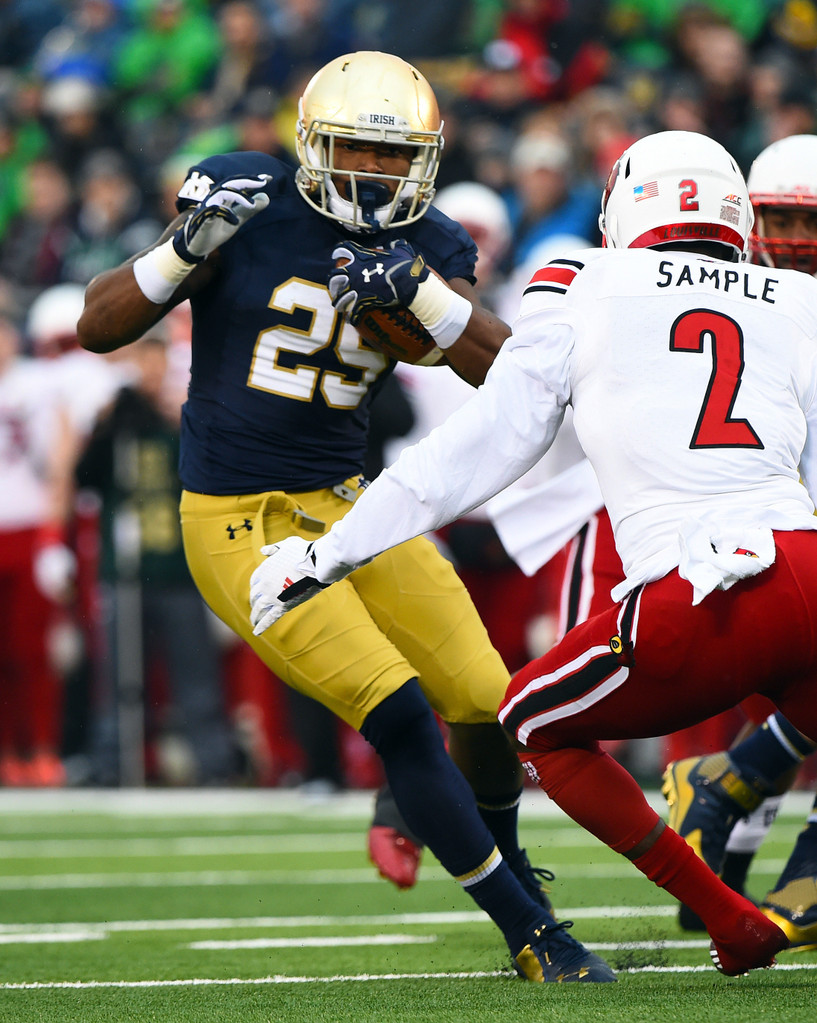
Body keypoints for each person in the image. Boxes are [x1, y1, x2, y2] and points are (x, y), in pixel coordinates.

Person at [77, 50, 614, 983]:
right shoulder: (245, 207)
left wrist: (429, 303)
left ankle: (517, 878)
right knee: (401, 714)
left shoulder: (434, 240)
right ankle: (532, 930)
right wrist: (183, 248)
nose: (373, 171)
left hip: (353, 505)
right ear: (314, 145)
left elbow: (508, 378)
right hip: (236, 518)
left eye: (390, 152)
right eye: (356, 150)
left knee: (488, 705)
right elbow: (97, 324)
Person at [246, 128, 817, 977]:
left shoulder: (580, 281)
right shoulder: (794, 301)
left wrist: (326, 555)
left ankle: (729, 917)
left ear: (624, 206)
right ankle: (740, 796)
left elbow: (477, 448)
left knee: (529, 720)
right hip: (803, 563)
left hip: (700, 589)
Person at [661, 133, 817, 948]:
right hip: (742, 540)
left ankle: (729, 793)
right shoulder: (750, 307)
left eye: (805, 219)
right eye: (778, 217)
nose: (792, 240)